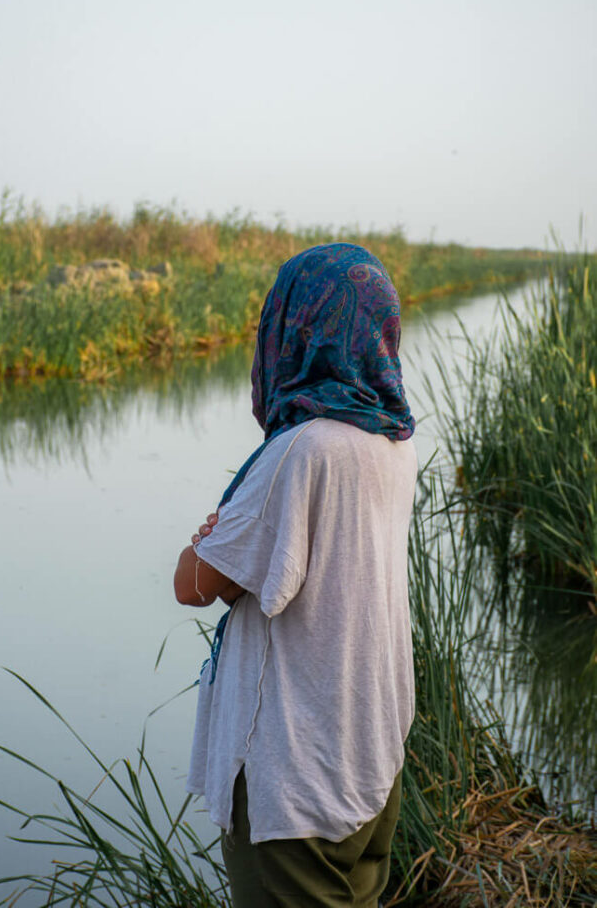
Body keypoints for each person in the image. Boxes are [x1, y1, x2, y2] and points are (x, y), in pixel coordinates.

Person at [174, 242, 417, 908]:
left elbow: (193, 584)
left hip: (295, 774)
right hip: (369, 753)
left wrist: (210, 539)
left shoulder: (299, 452)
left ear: (290, 332)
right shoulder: (394, 443)